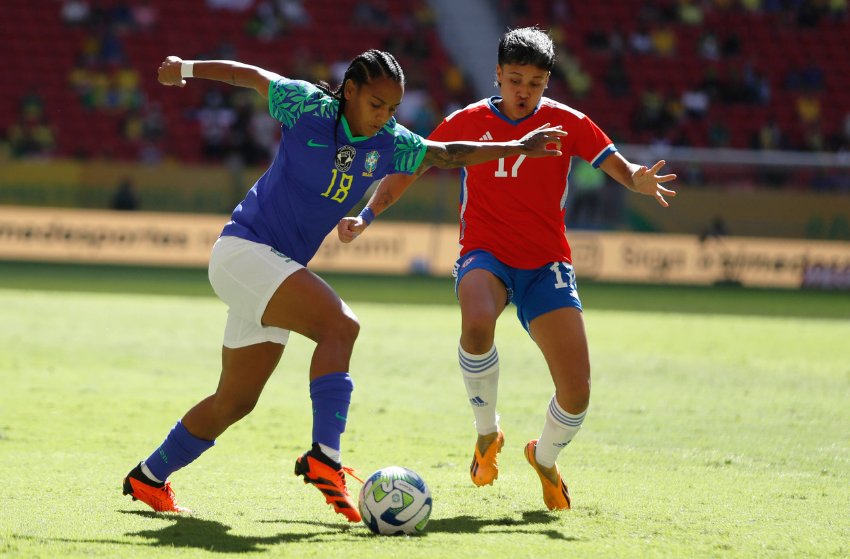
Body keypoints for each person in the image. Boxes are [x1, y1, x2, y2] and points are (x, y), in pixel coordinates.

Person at [121, 50, 566, 522]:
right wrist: (184, 70)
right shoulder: (305, 104)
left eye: (393, 109)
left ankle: (148, 478)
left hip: (270, 269)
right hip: (243, 252)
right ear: (349, 90)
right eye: (377, 104)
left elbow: (448, 153)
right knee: (341, 327)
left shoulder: (391, 141)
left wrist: (520, 147)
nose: (385, 117)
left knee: (235, 401)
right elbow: (248, 75)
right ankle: (325, 457)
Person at [338, 28, 676, 511]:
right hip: (485, 253)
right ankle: (486, 432)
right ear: (498, 75)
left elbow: (615, 164)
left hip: (546, 263)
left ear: (547, 83)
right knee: (476, 322)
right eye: (515, 79)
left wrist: (636, 180)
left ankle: (544, 456)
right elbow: (407, 170)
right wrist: (366, 215)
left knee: (577, 392)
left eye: (535, 83)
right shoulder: (466, 121)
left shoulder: (569, 122)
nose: (524, 91)